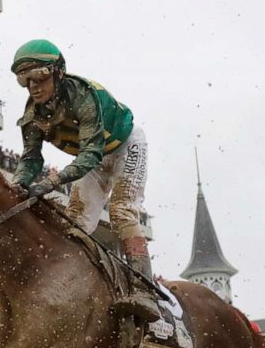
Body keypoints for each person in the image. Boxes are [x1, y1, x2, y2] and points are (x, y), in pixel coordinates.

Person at [10, 39, 158, 323]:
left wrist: (52, 183)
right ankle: (75, 285)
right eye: (25, 81)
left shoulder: (83, 97)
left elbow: (90, 154)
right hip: (91, 157)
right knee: (74, 222)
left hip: (124, 146)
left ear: (58, 72)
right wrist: (17, 184)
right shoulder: (31, 116)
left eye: (39, 76)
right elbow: (30, 159)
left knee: (122, 212)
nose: (34, 87)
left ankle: (143, 290)